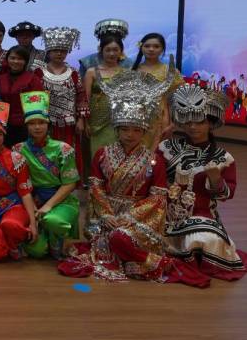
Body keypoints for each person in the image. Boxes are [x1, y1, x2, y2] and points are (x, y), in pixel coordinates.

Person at [58, 77, 190, 284]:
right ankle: (149, 261)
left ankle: (144, 258)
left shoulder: (154, 160)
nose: (130, 134)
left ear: (144, 131)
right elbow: (95, 187)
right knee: (110, 237)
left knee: (119, 237)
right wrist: (107, 215)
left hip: (139, 217)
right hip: (107, 214)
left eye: (136, 130)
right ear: (117, 130)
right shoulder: (102, 154)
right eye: (125, 129)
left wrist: (129, 217)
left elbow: (158, 198)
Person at [158, 84, 247, 282]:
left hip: (201, 214)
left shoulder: (223, 157)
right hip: (162, 212)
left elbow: (226, 195)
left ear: (210, 123)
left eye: (200, 121)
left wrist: (216, 179)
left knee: (204, 240)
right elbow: (152, 178)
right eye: (189, 121)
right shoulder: (166, 147)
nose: (193, 126)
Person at [13, 92, 79, 259]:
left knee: (53, 221)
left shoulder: (63, 149)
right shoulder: (18, 150)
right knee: (37, 251)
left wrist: (48, 205)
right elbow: (21, 184)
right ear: (26, 126)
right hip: (34, 201)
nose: (37, 127)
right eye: (32, 123)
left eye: (41, 122)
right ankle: (45, 236)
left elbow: (70, 183)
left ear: (48, 124)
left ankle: (57, 237)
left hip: (61, 200)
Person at [0, 102, 37, 261]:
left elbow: (25, 193)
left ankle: (13, 242)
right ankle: (9, 242)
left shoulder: (17, 158)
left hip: (14, 207)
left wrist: (33, 223)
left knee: (10, 224)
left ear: (4, 135)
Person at [34, 27, 89, 177]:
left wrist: (81, 120)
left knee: (69, 152)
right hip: (46, 122)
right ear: (48, 52)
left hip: (69, 123)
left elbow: (81, 96)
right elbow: (34, 97)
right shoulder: (38, 72)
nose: (59, 53)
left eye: (63, 51)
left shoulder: (74, 72)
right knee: (47, 153)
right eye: (56, 50)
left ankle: (71, 183)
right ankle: (49, 183)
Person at [131, 33, 184, 147]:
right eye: (147, 46)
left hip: (160, 118)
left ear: (162, 49)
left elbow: (178, 99)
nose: (151, 49)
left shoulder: (170, 71)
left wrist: (173, 124)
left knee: (156, 153)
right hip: (134, 120)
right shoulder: (133, 70)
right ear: (141, 47)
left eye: (156, 46)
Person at [84, 35, 132, 160]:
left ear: (121, 51)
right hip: (96, 121)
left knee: (117, 156)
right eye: (108, 50)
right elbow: (85, 99)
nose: (112, 53)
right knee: (97, 155)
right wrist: (85, 122)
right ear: (101, 50)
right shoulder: (91, 72)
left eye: (115, 50)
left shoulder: (127, 73)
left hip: (118, 120)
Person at [0, 45, 44, 146]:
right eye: (12, 58)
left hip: (25, 126)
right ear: (7, 59)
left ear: (25, 61)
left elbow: (39, 105)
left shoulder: (33, 79)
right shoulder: (0, 78)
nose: (16, 61)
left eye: (20, 59)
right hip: (3, 125)